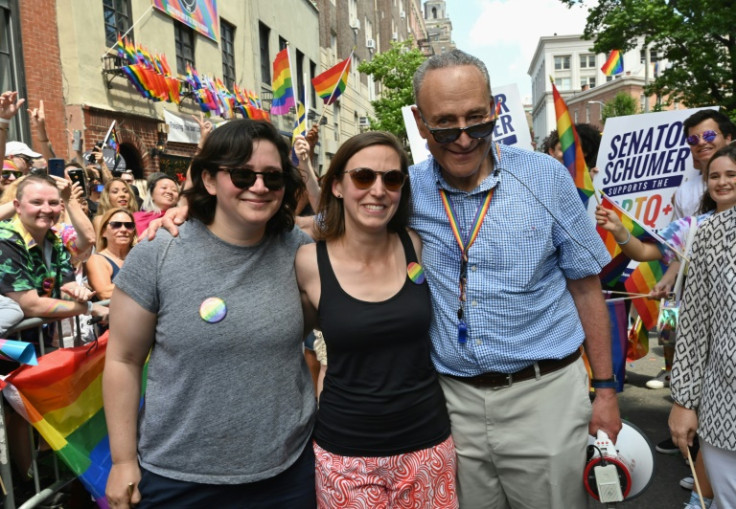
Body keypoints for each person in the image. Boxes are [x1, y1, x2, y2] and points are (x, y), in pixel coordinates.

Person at [407, 49, 620, 509]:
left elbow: (586, 288)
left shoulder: (545, 178)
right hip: (452, 405)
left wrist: (606, 391)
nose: (463, 138)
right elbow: (332, 232)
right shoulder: (405, 191)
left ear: (496, 111)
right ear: (421, 124)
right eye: (445, 124)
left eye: (477, 120)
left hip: (545, 399)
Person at [103, 119, 316, 508]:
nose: (259, 187)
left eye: (273, 177)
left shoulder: (298, 249)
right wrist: (122, 460)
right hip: (180, 477)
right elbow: (123, 359)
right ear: (209, 179)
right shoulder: (159, 251)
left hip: (286, 473)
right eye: (242, 174)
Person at [295, 132, 457, 508]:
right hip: (345, 456)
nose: (379, 190)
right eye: (363, 177)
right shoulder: (307, 263)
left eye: (392, 179)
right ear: (336, 185)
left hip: (427, 446)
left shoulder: (416, 244)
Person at [670, 145, 736, 509]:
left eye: (731, 174)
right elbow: (694, 327)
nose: (723, 182)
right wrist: (683, 401)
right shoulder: (708, 233)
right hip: (726, 408)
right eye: (716, 175)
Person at [672, 110, 735, 221]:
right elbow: (676, 236)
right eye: (693, 139)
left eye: (709, 135)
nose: (701, 142)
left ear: (728, 138)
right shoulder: (684, 193)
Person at [85, 208, 137, 300]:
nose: (124, 229)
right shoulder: (97, 260)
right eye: (116, 225)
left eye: (129, 225)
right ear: (103, 232)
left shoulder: (141, 255)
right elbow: (105, 293)